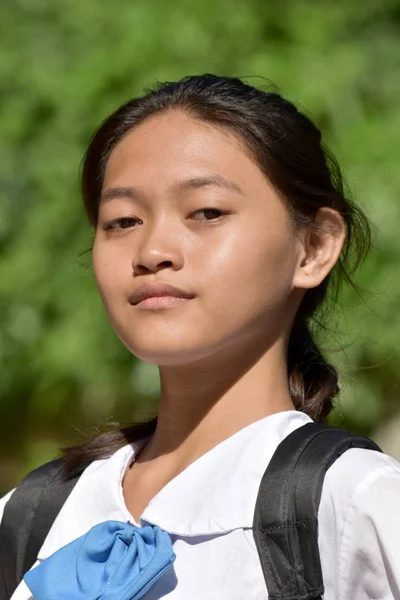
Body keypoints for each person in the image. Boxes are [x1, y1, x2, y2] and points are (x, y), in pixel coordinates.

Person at [1, 74, 399, 600]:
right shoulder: (29, 516)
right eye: (122, 221)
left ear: (313, 247)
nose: (152, 250)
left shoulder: (355, 504)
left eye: (207, 212)